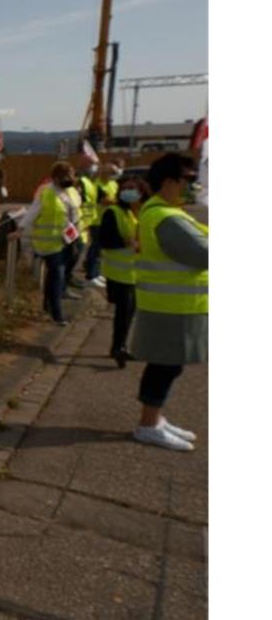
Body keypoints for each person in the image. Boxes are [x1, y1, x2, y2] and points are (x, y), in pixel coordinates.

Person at [128, 153, 207, 451]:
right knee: (164, 366)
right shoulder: (165, 216)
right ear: (168, 181)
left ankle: (155, 419)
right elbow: (203, 253)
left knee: (168, 366)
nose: (192, 186)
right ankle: (148, 424)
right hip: (170, 306)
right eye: (187, 179)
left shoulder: (167, 212)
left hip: (174, 305)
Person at [20, 161, 80, 326]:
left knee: (55, 276)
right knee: (57, 276)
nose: (69, 179)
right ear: (55, 177)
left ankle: (48, 304)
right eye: (65, 176)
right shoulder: (47, 193)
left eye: (71, 175)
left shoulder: (73, 192)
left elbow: (75, 213)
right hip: (50, 243)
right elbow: (33, 211)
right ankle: (57, 313)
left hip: (68, 240)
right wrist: (20, 229)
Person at [98, 175, 148, 367]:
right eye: (126, 188)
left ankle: (119, 346)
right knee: (123, 312)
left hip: (132, 273)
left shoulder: (131, 213)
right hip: (118, 273)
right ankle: (119, 347)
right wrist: (127, 243)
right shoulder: (113, 212)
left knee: (128, 313)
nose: (130, 192)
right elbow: (105, 241)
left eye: (134, 189)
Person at [75, 153, 105, 288]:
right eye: (92, 164)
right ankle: (90, 275)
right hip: (80, 222)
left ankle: (93, 274)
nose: (94, 167)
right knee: (80, 251)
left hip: (89, 221)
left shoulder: (90, 182)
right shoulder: (81, 180)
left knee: (87, 249)